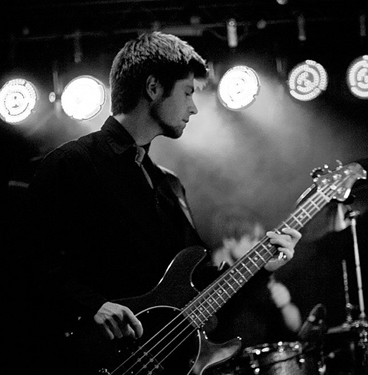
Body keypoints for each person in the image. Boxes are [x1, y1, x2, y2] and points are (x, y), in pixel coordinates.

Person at [21, 31, 301, 375]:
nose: (194, 107)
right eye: (187, 92)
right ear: (153, 88)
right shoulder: (73, 163)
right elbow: (23, 263)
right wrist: (93, 305)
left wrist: (260, 267)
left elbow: (201, 289)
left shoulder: (168, 185)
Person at [206, 208, 302, 373]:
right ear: (229, 241)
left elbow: (295, 327)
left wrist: (285, 304)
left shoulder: (260, 274)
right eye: (252, 239)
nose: (258, 246)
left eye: (260, 239)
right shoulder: (203, 276)